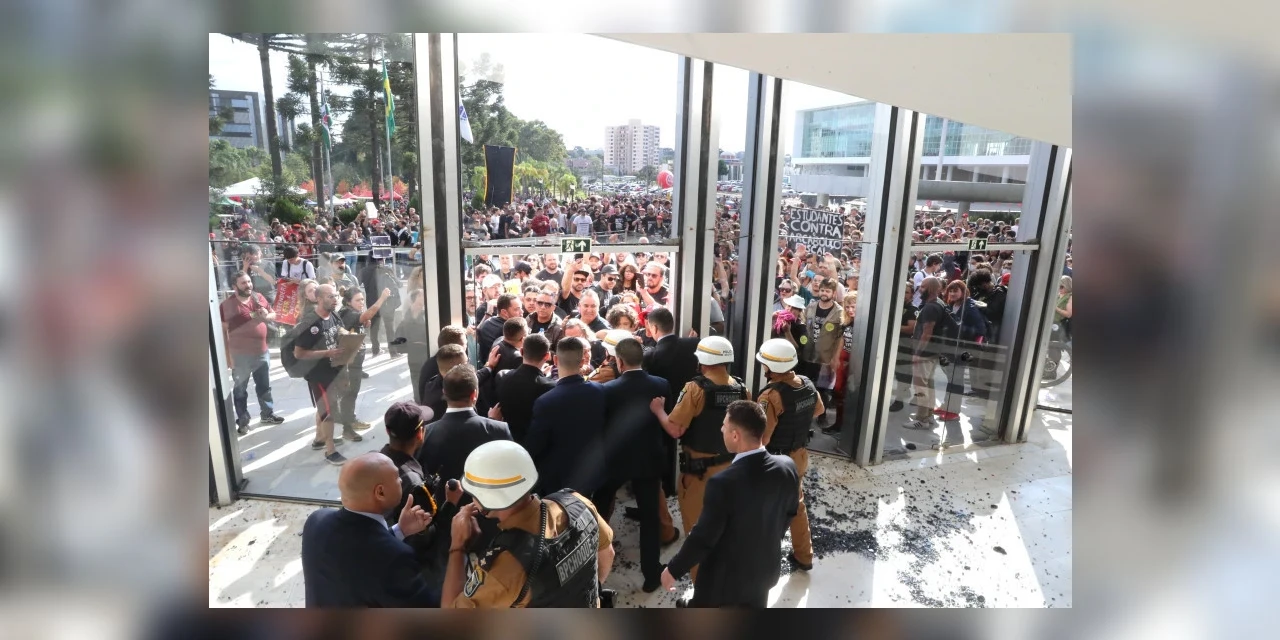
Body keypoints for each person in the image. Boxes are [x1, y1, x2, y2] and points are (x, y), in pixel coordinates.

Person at [659, 401, 800, 608]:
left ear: (735, 436)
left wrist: (673, 569)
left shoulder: (722, 483)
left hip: (724, 584)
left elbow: (704, 538)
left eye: (724, 425)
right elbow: (790, 512)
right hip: (764, 572)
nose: (721, 429)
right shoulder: (787, 466)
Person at [442, 441, 615, 607]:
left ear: (487, 498)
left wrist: (458, 546)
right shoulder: (578, 502)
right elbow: (608, 554)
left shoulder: (506, 567)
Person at [648, 336, 744, 562]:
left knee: (698, 531)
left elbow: (675, 430)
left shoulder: (695, 389)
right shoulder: (741, 388)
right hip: (731, 467)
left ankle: (701, 580)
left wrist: (658, 410)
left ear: (702, 361)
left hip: (700, 472)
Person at [301, 452, 438, 607]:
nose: (401, 479)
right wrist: (456, 548)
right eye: (396, 476)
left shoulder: (316, 520)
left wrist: (400, 530)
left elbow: (357, 563)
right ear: (380, 492)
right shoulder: (394, 558)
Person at [416, 363, 513, 578]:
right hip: (490, 526)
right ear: (474, 394)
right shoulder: (498, 429)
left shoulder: (426, 434)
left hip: (446, 525)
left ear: (444, 393)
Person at [594, 336, 672, 590]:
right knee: (650, 518)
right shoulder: (661, 384)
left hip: (616, 460)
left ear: (619, 361)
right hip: (649, 459)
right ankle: (651, 574)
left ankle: (594, 565)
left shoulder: (607, 390)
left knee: (600, 510)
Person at [754, 338, 821, 572]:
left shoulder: (770, 396)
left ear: (770, 367)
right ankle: (804, 555)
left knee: (767, 510)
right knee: (797, 505)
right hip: (799, 456)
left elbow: (763, 438)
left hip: (775, 461)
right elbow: (819, 409)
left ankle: (762, 562)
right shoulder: (807, 384)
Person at [525, 337, 607, 496]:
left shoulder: (545, 402)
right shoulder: (600, 391)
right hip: (591, 472)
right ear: (582, 361)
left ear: (555, 360)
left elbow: (536, 444)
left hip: (558, 479)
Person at [641, 306, 700, 498]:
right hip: (690, 406)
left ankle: (664, 488)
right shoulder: (693, 344)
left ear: (654, 328)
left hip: (663, 408)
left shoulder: (651, 355)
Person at [220, 272, 285, 434]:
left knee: (264, 387)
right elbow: (222, 333)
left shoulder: (258, 297)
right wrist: (227, 357)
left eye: (249, 281)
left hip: (262, 352)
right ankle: (243, 421)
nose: (248, 285)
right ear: (234, 286)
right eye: (243, 283)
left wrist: (266, 316)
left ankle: (267, 414)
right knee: (240, 390)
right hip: (240, 356)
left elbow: (273, 314)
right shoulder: (227, 305)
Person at [293, 284, 350, 466]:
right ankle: (330, 450)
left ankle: (319, 438)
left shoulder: (334, 314)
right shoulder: (309, 323)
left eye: (336, 296)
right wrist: (327, 353)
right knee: (328, 411)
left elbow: (340, 332)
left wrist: (350, 338)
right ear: (318, 299)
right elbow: (299, 353)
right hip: (318, 375)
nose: (335, 300)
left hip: (334, 370)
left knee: (324, 406)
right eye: (330, 296)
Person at [335, 285, 391, 441]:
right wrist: (382, 298)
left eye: (362, 300)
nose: (361, 302)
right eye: (358, 300)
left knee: (351, 394)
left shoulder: (350, 312)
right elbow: (368, 314)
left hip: (354, 362)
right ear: (348, 302)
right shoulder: (348, 313)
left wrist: (363, 322)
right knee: (349, 394)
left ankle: (348, 419)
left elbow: (362, 320)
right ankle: (348, 427)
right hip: (348, 364)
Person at [491, 333, 556, 444]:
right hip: (536, 445)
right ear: (547, 356)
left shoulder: (502, 377)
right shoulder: (550, 387)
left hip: (507, 441)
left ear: (521, 352)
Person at [802, 277, 843, 427]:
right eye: (822, 290)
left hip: (826, 356)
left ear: (834, 293)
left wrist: (835, 357)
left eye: (827, 291)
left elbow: (840, 337)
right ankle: (805, 415)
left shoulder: (839, 312)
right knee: (806, 386)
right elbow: (803, 324)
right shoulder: (811, 306)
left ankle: (822, 416)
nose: (824, 293)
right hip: (808, 354)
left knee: (823, 389)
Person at [907, 277, 946, 431]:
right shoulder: (938, 303)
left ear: (931, 288)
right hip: (932, 352)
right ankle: (928, 415)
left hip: (925, 353)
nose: (920, 289)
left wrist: (918, 353)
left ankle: (921, 418)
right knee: (928, 384)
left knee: (920, 386)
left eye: (923, 286)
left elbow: (927, 332)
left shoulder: (931, 307)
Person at [359, 258, 401, 358]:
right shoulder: (387, 269)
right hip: (387, 303)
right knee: (389, 328)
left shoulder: (364, 271)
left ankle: (375, 350)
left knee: (374, 328)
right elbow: (398, 283)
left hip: (373, 303)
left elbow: (357, 284)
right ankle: (393, 352)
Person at [395, 290, 430, 403]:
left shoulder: (428, 315)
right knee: (416, 381)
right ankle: (419, 401)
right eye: (419, 303)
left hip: (426, 352)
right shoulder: (408, 317)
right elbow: (400, 338)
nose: (421, 305)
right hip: (414, 354)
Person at [419, 345, 468, 423]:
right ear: (457, 368)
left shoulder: (432, 383)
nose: (469, 366)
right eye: (466, 363)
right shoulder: (451, 396)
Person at [476, 293, 522, 359]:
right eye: (517, 309)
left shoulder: (487, 322)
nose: (522, 312)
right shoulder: (509, 330)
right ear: (504, 312)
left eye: (521, 308)